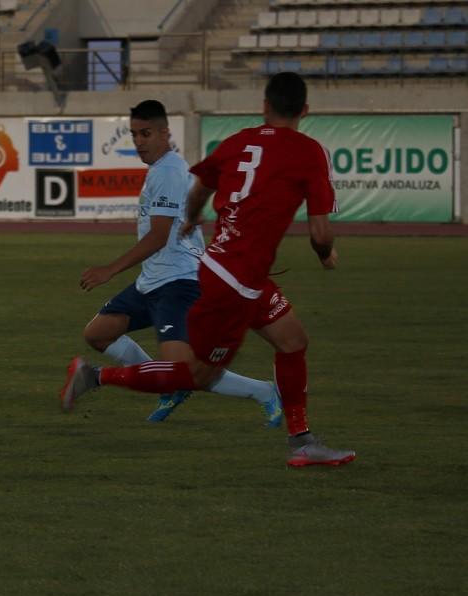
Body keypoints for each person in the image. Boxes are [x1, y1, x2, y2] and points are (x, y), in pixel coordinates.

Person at [61, 72, 355, 467]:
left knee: (292, 341)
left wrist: (192, 217)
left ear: (265, 106)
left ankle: (302, 441)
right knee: (195, 374)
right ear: (305, 110)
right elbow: (320, 232)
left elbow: (201, 184)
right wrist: (325, 256)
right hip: (232, 281)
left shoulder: (238, 141)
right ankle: (95, 377)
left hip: (235, 273)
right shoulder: (310, 151)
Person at [74, 100, 282, 425]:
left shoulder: (169, 171)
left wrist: (109, 270)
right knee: (98, 334)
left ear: (164, 133)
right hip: (153, 279)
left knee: (185, 372)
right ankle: (168, 387)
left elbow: (158, 236)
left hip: (178, 282)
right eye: (134, 134)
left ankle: (264, 391)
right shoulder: (160, 169)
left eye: (146, 133)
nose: (139, 141)